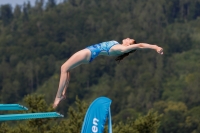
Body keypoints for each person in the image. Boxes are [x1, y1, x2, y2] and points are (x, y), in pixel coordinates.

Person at [53, 38, 163, 108]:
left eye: (130, 40)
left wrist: (155, 47)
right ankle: (63, 93)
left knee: (63, 68)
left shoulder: (122, 49)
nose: (128, 38)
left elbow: (140, 45)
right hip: (88, 52)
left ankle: (58, 97)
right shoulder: (118, 45)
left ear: (129, 45)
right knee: (66, 69)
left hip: (88, 53)